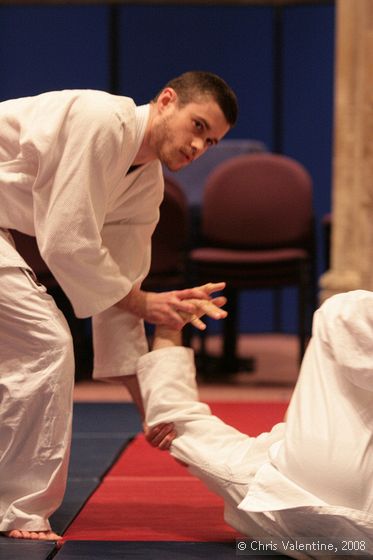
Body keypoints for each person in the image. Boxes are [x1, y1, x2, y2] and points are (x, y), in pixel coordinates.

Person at [0, 72, 238, 540]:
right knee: (44, 344)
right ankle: (19, 509)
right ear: (166, 100)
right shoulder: (102, 120)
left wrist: (148, 407)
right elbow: (67, 243)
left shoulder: (145, 186)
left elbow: (119, 299)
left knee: (35, 345)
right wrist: (146, 302)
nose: (198, 147)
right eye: (197, 126)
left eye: (210, 142)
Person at [139, 290, 373, 559]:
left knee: (342, 313)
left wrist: (168, 329)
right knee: (340, 311)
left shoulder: (256, 480)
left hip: (327, 524)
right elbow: (174, 422)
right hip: (325, 490)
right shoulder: (292, 461)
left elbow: (173, 421)